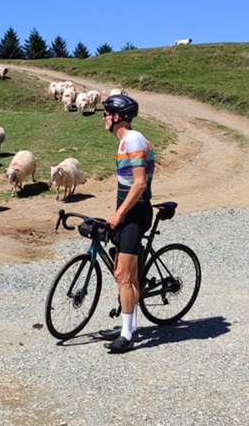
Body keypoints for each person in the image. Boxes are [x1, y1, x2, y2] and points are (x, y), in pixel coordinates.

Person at [95, 94, 155, 353]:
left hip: (136, 214)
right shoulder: (124, 143)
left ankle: (128, 334)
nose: (104, 117)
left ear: (117, 117)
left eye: (106, 113)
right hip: (128, 212)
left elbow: (140, 183)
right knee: (123, 273)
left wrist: (119, 214)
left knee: (124, 276)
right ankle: (127, 324)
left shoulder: (132, 140)